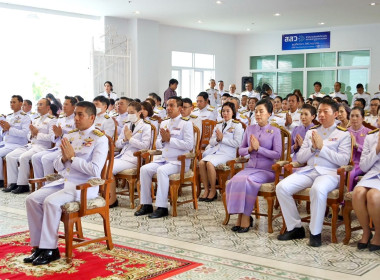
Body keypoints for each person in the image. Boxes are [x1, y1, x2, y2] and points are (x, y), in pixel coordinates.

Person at [24, 101, 108, 265]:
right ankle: (38, 246)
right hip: (65, 182)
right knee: (32, 199)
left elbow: (95, 171)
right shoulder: (70, 136)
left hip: (83, 186)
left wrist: (72, 158)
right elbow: (57, 165)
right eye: (75, 114)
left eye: (80, 114)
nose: (76, 118)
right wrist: (63, 158)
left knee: (50, 202)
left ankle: (51, 249)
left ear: (92, 118)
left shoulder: (100, 139)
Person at [276, 98, 351, 247]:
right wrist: (312, 148)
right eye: (320, 112)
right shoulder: (312, 132)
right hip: (310, 170)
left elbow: (343, 161)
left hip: (330, 173)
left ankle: (315, 233)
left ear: (335, 114)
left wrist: (322, 148)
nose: (321, 115)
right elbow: (302, 157)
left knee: (318, 189)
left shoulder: (343, 134)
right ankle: (295, 227)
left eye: (325, 111)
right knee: (281, 187)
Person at [225, 98, 282, 233]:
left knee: (247, 180)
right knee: (235, 180)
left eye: (261, 111)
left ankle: (244, 218)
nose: (257, 114)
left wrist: (259, 148)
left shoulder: (275, 131)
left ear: (269, 113)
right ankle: (240, 216)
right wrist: (250, 149)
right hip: (250, 167)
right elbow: (241, 150)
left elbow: (277, 154)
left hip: (266, 170)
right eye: (256, 111)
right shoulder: (250, 129)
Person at [135, 96, 194, 219]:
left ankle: (162, 207)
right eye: (167, 105)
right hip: (164, 159)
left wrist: (170, 140)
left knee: (162, 171)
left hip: (178, 162)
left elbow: (189, 145)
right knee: (144, 169)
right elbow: (157, 143)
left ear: (179, 108)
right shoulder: (165, 122)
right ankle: (146, 204)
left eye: (172, 106)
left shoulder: (186, 123)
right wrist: (162, 140)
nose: (168, 108)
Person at [5, 98, 57, 194]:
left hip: (42, 147)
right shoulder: (36, 119)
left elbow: (52, 137)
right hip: (31, 145)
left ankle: (23, 185)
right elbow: (28, 135)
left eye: (41, 104)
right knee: (10, 156)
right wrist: (32, 134)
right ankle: (13, 182)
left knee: (23, 157)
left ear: (48, 107)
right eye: (37, 104)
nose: (38, 107)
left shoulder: (52, 120)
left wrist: (37, 134)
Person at [109, 102, 152, 207]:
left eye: (132, 112)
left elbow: (145, 146)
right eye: (128, 112)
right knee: (102, 165)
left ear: (139, 112)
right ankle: (107, 195)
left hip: (134, 158)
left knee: (108, 169)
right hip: (122, 156)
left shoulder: (146, 126)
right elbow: (117, 144)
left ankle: (112, 200)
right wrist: (124, 139)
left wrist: (130, 139)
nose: (130, 115)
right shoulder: (127, 125)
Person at [199, 102, 244, 202]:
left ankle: (213, 191)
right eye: (223, 111)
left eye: (228, 111)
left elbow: (237, 143)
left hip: (228, 154)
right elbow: (211, 141)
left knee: (210, 164)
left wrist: (223, 139)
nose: (225, 113)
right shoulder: (218, 125)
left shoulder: (237, 125)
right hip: (216, 152)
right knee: (202, 163)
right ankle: (206, 189)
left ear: (233, 112)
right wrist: (218, 140)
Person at [31, 96, 77, 180]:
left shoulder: (76, 119)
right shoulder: (61, 118)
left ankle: (49, 184)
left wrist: (61, 135)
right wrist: (56, 135)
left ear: (74, 107)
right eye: (63, 104)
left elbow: (76, 137)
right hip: (57, 147)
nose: (63, 106)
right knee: (35, 157)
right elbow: (53, 136)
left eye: (66, 104)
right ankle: (39, 184)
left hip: (67, 149)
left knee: (46, 159)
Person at [352, 124, 380, 251]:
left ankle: (379, 235)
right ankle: (366, 232)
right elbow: (363, 166)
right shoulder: (371, 137)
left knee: (373, 195)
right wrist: (377, 150)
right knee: (357, 193)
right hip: (373, 174)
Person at [0, 95, 30, 189]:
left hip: (18, 144)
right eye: (11, 102)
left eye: (14, 102)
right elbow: (5, 135)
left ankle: (2, 180)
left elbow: (25, 134)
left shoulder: (25, 117)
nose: (11, 104)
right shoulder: (9, 116)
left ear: (20, 103)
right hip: (7, 144)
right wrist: (4, 130)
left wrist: (9, 128)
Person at [347, 107, 371, 191]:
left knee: (350, 172)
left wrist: (357, 145)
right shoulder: (345, 132)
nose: (354, 118)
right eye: (352, 116)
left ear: (363, 118)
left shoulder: (369, 132)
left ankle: (346, 199)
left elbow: (371, 152)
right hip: (346, 161)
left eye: (357, 116)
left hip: (361, 163)